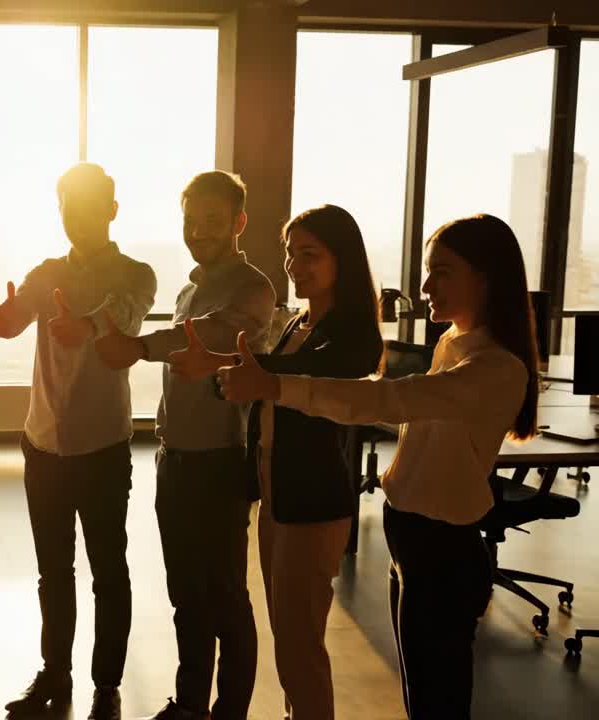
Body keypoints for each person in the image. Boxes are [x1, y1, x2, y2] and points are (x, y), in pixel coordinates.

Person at [216, 214, 539, 720]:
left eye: (443, 272)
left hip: (443, 547)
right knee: (422, 691)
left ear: (487, 277)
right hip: (413, 537)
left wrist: (277, 386)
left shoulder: (495, 368)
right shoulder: (452, 345)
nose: (426, 286)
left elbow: (387, 400)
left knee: (438, 698)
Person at [169, 205, 384, 720]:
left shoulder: (352, 332)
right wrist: (220, 366)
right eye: (290, 253)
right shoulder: (299, 323)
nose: (294, 265)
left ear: (343, 260)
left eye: (310, 255)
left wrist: (236, 368)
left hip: (312, 501)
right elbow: (272, 373)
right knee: (288, 634)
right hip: (278, 492)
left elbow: (315, 371)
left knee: (299, 643)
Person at [94, 170, 274, 720]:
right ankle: (192, 702)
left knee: (224, 597)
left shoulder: (253, 288)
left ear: (239, 223)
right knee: (185, 595)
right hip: (175, 460)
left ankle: (231, 711)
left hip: (222, 462)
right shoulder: (187, 289)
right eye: (191, 221)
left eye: (212, 222)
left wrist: (137, 346)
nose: (199, 232)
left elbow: (209, 335)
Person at [0, 163, 156, 720]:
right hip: (43, 446)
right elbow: (12, 323)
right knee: (53, 572)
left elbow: (126, 315)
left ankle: (106, 684)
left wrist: (87, 326)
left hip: (104, 447)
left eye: (90, 206)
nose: (78, 217)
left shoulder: (135, 274)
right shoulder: (46, 273)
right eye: (68, 206)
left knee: (109, 570)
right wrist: (7, 316)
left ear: (112, 210)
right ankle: (55, 674)